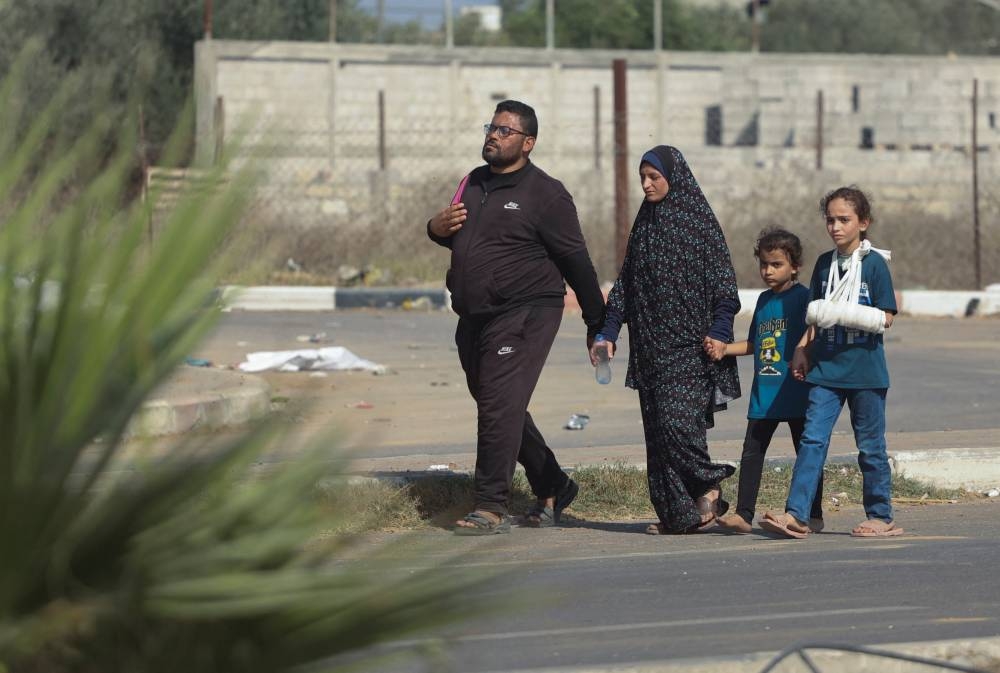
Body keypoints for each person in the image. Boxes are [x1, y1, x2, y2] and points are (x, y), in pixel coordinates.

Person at [427, 100, 605, 536]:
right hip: (474, 316)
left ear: (528, 143)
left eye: (506, 131)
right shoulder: (471, 181)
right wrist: (435, 227)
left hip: (526, 311)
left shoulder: (546, 194)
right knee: (497, 403)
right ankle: (553, 484)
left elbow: (576, 262)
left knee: (498, 404)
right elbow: (459, 239)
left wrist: (597, 324)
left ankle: (490, 503)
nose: (494, 135)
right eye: (492, 127)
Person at [590, 145, 740, 535]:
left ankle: (710, 481)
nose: (646, 184)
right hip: (650, 348)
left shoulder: (700, 225)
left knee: (678, 426)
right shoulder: (645, 226)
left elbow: (725, 287)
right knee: (657, 434)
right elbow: (625, 288)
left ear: (675, 177)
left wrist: (720, 330)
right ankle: (680, 515)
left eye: (653, 177)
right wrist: (608, 332)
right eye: (642, 177)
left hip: (693, 346)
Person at [759, 186, 901, 539]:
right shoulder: (824, 264)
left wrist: (843, 313)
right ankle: (798, 515)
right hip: (826, 369)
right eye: (830, 220)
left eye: (844, 220)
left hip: (866, 371)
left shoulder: (875, 266)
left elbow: (885, 317)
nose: (835, 227)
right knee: (812, 440)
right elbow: (816, 316)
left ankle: (880, 515)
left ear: (863, 223)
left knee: (870, 447)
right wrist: (802, 349)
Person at [703, 227, 824, 534]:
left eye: (777, 264)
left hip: (796, 391)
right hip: (764, 395)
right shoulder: (763, 300)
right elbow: (756, 342)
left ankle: (814, 513)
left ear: (794, 266)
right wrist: (724, 349)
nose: (768, 271)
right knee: (752, 452)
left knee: (806, 454)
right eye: (764, 264)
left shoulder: (804, 299)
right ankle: (744, 515)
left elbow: (815, 335)